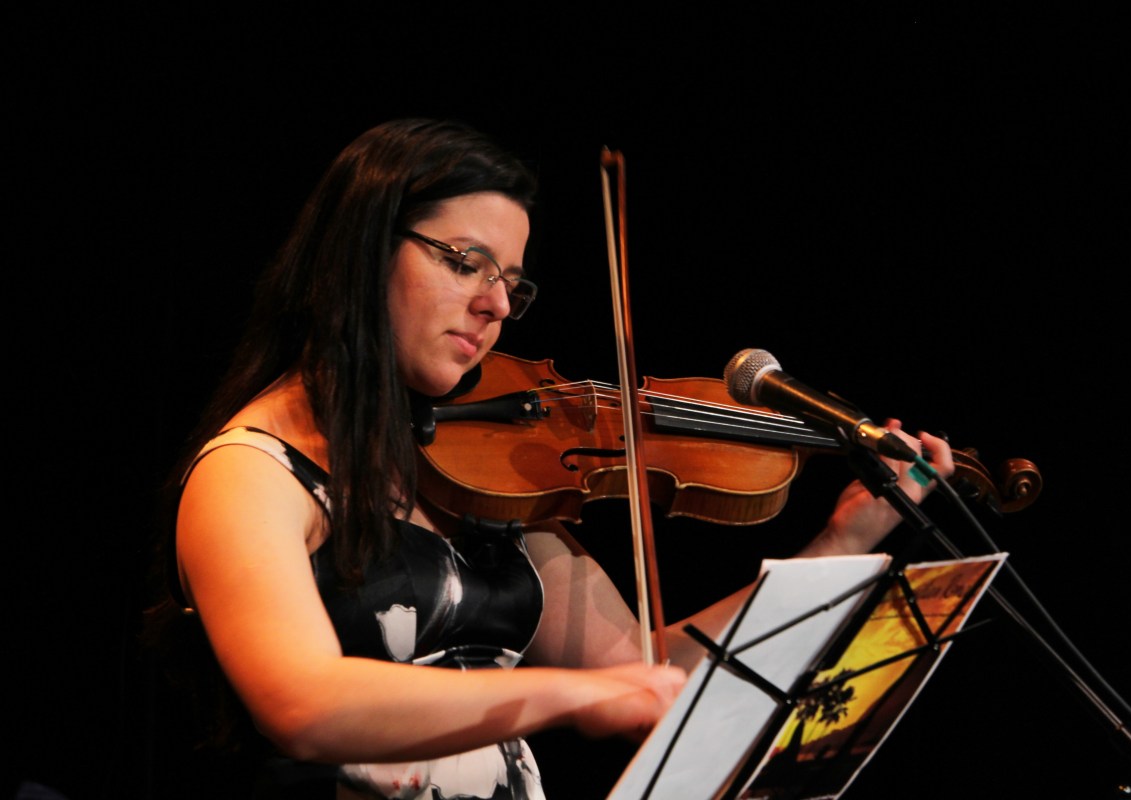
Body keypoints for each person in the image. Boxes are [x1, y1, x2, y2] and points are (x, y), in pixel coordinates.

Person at [143, 117, 953, 799]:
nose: (496, 303)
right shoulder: (249, 473)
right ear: (360, 251)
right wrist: (570, 694)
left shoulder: (475, 472)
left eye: (511, 283)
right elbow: (304, 703)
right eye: (464, 262)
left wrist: (841, 542)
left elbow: (651, 671)